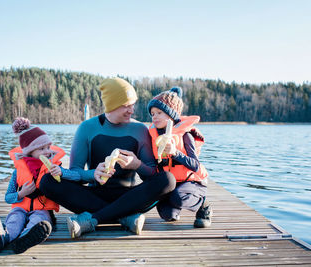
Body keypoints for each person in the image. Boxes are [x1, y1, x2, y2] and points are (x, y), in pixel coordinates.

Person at [39, 77, 175, 238]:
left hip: (129, 196)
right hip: (94, 195)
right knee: (47, 182)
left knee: (167, 179)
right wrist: (93, 174)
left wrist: (137, 165)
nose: (131, 110)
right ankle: (125, 217)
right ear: (112, 105)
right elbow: (74, 172)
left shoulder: (140, 129)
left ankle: (94, 219)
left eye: (133, 104)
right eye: (126, 105)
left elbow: (151, 174)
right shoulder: (87, 128)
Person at [0, 117, 80, 253]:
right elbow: (8, 198)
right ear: (29, 152)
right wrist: (21, 193)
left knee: (39, 221)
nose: (47, 152)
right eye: (41, 149)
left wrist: (62, 172)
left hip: (42, 210)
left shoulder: (54, 166)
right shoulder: (18, 171)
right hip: (20, 208)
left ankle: (24, 240)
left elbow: (77, 177)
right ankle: (2, 237)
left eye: (47, 147)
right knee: (15, 220)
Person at [147, 87, 213, 227]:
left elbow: (195, 165)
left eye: (159, 112)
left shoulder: (185, 135)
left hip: (192, 181)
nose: (155, 117)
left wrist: (175, 152)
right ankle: (174, 206)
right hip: (172, 183)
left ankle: (203, 204)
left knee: (179, 198)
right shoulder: (154, 136)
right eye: (152, 114)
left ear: (172, 115)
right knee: (167, 215)